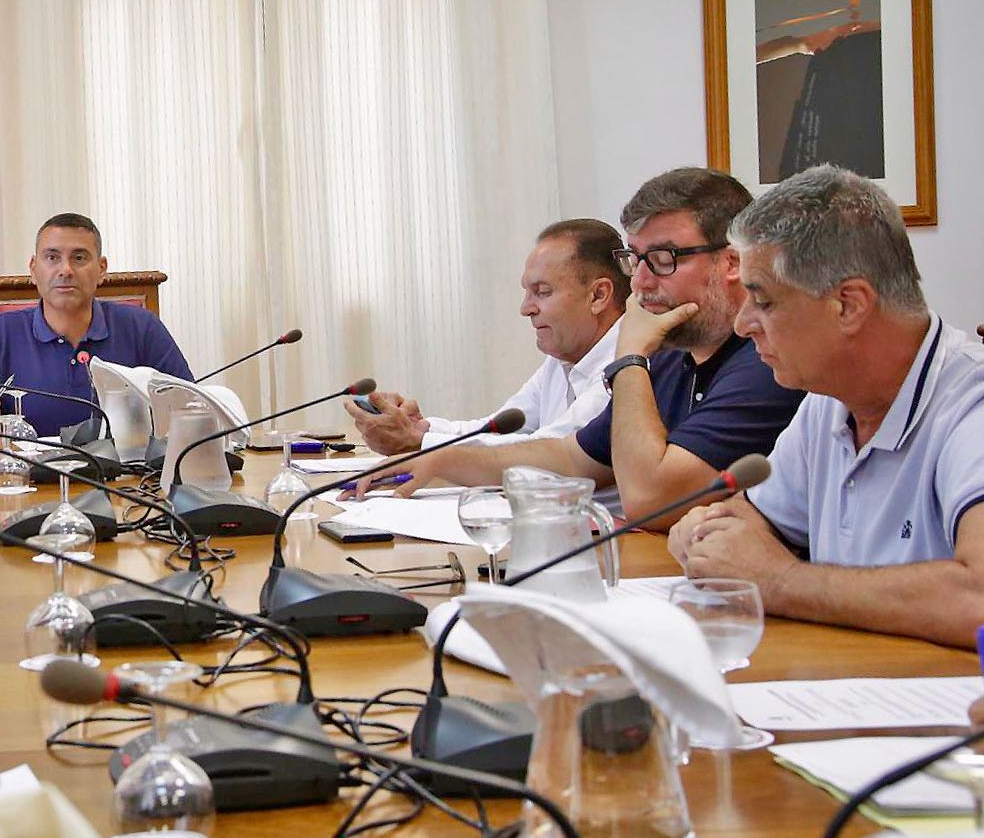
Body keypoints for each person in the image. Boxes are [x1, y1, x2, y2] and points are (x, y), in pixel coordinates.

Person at [354, 168, 804, 527]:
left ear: (730, 261)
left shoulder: (766, 362)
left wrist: (629, 358)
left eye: (663, 260)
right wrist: (440, 458)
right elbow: (571, 455)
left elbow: (650, 499)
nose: (641, 281)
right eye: (635, 258)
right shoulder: (674, 355)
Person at [668, 166, 984, 648]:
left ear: (849, 305)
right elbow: (745, 524)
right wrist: (707, 539)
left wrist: (781, 582)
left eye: (763, 300)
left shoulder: (971, 402)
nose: (742, 324)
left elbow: (977, 599)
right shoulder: (826, 402)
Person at [346, 219, 629, 454]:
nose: (526, 309)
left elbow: (551, 453)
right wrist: (421, 428)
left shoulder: (626, 364)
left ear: (598, 295)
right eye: (527, 293)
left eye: (542, 292)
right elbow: (495, 430)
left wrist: (417, 442)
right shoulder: (564, 357)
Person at [0, 213, 193, 435]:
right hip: (29, 482)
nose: (65, 270)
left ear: (102, 269)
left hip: (124, 480)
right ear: (33, 269)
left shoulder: (142, 327)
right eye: (52, 258)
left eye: (79, 258)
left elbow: (190, 406)